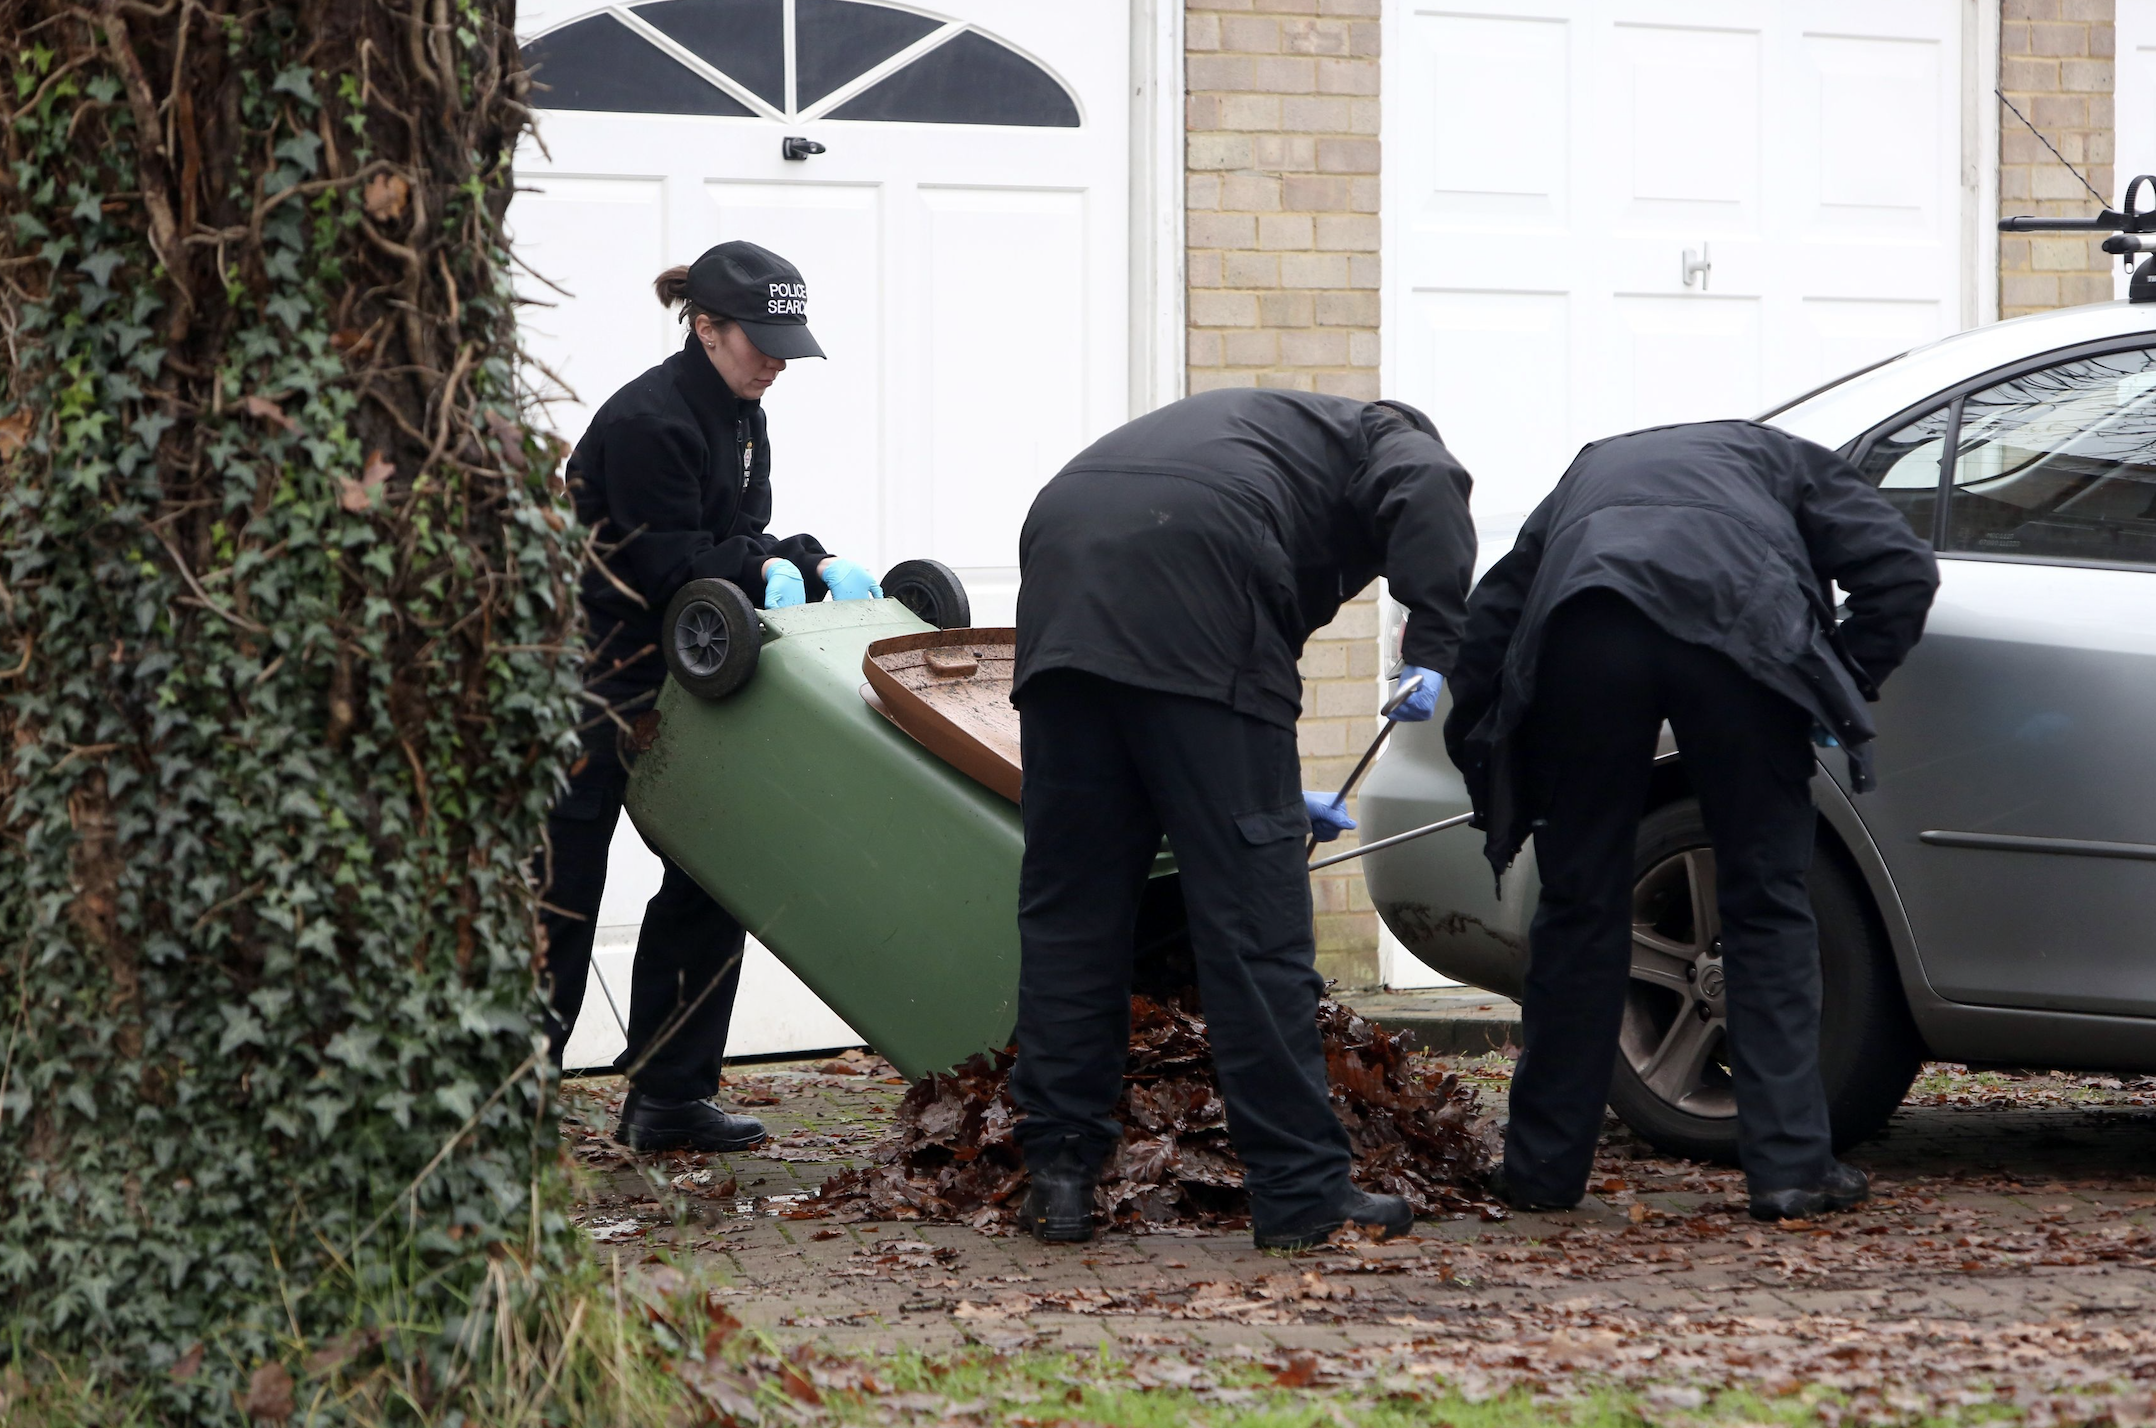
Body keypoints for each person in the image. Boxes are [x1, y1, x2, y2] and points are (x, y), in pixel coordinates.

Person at [1009, 389, 1477, 1249]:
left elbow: (1187, 714)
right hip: (1196, 571)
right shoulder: (1384, 434)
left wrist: (1255, 792)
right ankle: (1300, 1190)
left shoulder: (1259, 440)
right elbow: (1427, 482)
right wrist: (1438, 645)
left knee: (1072, 913)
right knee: (1254, 925)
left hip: (1064, 572)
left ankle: (1060, 1178)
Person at [1444, 419, 1939, 1222]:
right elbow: (1902, 570)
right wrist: (1843, 677)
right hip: (1740, 635)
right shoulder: (1785, 459)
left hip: (1590, 626)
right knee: (1767, 903)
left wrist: (1486, 760)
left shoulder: (1593, 464)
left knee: (1578, 906)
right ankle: (1789, 1171)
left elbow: (1496, 609)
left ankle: (1540, 1170)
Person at [541, 240, 885, 1153]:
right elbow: (668, 566)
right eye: (761, 342)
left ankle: (669, 1098)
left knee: (710, 878)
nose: (776, 361)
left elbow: (736, 532)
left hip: (683, 682)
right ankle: (510, 1114)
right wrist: (770, 563)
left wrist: (804, 557)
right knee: (560, 898)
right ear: (705, 328)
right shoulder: (652, 420)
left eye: (785, 342)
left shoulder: (740, 411)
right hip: (595, 683)